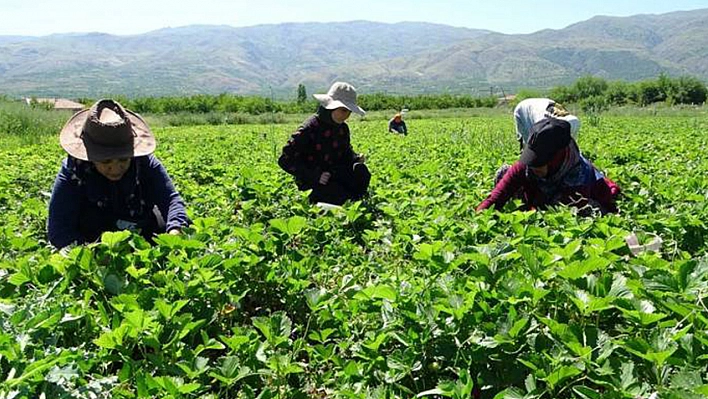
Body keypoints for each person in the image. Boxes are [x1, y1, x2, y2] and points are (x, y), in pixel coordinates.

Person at [48, 99, 189, 249]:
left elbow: (170, 199)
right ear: (91, 157)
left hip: (139, 225)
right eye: (105, 161)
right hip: (94, 236)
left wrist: (175, 231)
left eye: (123, 159)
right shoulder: (73, 171)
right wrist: (93, 256)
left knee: (176, 225)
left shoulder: (145, 162)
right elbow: (59, 230)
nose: (115, 169)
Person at [477, 117, 620, 214]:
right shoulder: (526, 165)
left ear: (557, 158)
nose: (534, 167)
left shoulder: (578, 176)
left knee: (582, 211)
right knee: (505, 173)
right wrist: (479, 219)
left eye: (540, 162)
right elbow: (496, 198)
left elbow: (555, 216)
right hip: (540, 197)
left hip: (572, 201)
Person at [278, 82, 371, 205]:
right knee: (338, 195)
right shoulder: (309, 128)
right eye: (343, 110)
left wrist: (355, 158)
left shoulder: (342, 128)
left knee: (362, 174)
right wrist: (315, 175)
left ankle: (352, 199)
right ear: (330, 106)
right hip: (313, 180)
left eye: (349, 111)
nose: (347, 115)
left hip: (334, 173)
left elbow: (345, 152)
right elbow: (285, 160)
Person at [514, 98, 580, 151]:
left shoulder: (573, 122)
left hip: (542, 105)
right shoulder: (543, 124)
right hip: (523, 110)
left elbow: (570, 144)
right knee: (530, 144)